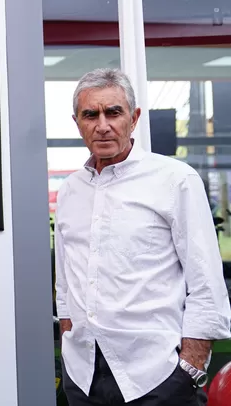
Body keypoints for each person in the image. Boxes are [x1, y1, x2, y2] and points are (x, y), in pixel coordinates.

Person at [54, 67, 231, 406]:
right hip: (83, 376)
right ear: (77, 122)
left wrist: (190, 370)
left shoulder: (175, 180)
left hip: (157, 378)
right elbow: (66, 282)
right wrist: (68, 339)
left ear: (133, 118)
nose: (102, 125)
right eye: (90, 114)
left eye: (113, 112)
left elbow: (207, 283)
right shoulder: (70, 191)